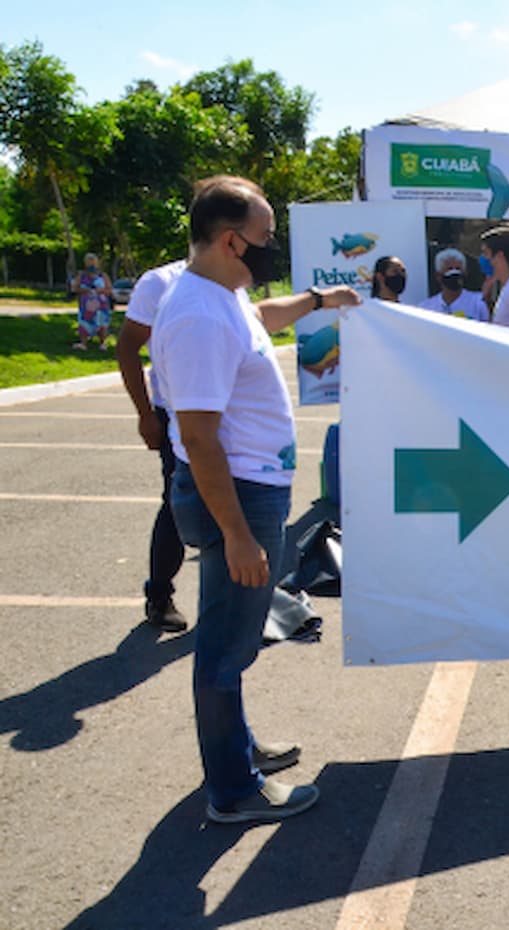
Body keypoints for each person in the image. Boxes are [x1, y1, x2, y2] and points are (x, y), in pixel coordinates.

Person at [152, 175, 359, 823]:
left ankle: (237, 752)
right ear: (231, 240)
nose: (272, 249)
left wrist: (320, 299)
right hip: (236, 498)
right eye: (266, 239)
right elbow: (198, 437)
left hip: (250, 490)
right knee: (225, 648)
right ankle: (234, 792)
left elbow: (259, 320)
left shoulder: (221, 297)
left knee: (233, 640)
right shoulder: (196, 316)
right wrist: (238, 534)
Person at [115, 258, 191, 633]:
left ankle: (235, 605)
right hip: (175, 417)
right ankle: (159, 597)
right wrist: (145, 414)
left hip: (230, 422)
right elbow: (128, 346)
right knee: (177, 508)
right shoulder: (160, 282)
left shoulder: (237, 282)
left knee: (239, 509)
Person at [419, 248, 488, 320]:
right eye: (450, 269)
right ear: (438, 276)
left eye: (458, 269)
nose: (454, 273)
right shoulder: (426, 308)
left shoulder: (478, 302)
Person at [73, 253, 114, 351]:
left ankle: (102, 343)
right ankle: (83, 343)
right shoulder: (81, 275)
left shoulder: (103, 275)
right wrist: (85, 290)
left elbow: (109, 290)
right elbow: (75, 288)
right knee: (83, 323)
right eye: (89, 262)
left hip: (101, 306)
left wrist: (100, 290)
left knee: (102, 323)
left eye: (93, 262)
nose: (91, 265)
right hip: (86, 306)